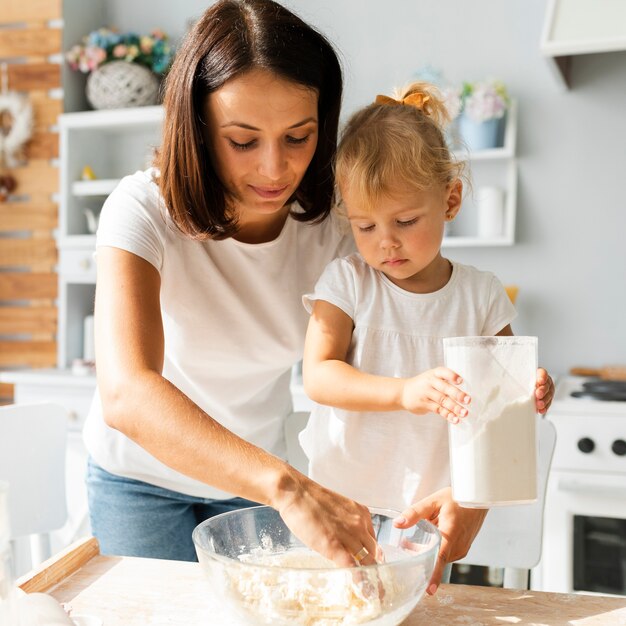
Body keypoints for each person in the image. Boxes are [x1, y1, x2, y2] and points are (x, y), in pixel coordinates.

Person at [83, 0, 383, 568]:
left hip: (253, 480)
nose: (275, 169)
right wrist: (288, 486)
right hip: (140, 479)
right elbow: (126, 392)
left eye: (299, 137)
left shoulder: (338, 227)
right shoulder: (142, 210)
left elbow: (386, 358)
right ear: (195, 129)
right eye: (243, 141)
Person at [300, 82, 555, 594]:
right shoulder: (347, 281)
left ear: (451, 199)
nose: (385, 242)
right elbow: (319, 375)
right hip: (341, 503)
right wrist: (403, 392)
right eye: (365, 226)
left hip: (430, 509)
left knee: (416, 611)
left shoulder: (480, 294)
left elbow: (504, 390)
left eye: (406, 220)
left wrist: (531, 388)